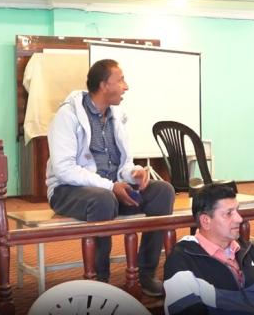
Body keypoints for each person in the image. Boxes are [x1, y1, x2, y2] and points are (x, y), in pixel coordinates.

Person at [46, 59, 176, 296]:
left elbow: (123, 162)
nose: (126, 86)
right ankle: (100, 282)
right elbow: (64, 169)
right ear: (104, 85)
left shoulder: (117, 115)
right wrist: (110, 186)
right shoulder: (67, 115)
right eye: (121, 80)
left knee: (163, 191)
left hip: (111, 189)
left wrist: (133, 173)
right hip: (67, 190)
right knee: (103, 199)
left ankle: (146, 273)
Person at [163, 184, 254, 315]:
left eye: (237, 211)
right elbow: (186, 310)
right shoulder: (182, 260)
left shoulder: (249, 251)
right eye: (229, 213)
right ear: (206, 221)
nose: (239, 219)